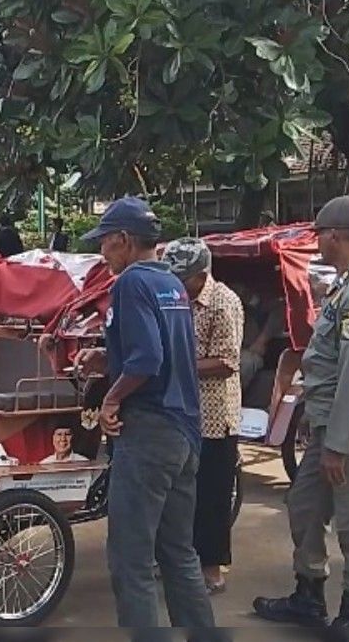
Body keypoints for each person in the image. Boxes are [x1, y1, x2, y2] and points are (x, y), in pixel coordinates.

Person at [254, 196, 349, 630]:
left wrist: (337, 445)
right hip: (329, 425)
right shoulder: (346, 285)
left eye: (319, 233)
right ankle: (308, 595)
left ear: (335, 235)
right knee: (305, 507)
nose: (315, 240)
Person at [72, 197, 215, 629]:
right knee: (178, 553)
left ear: (124, 239)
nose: (102, 252)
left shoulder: (131, 283)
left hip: (149, 433)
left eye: (105, 243)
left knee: (130, 561)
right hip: (184, 433)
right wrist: (107, 358)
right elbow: (164, 354)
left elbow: (148, 361)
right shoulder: (170, 283)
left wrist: (111, 399)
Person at [162, 237, 245, 595]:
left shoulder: (223, 302)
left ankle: (212, 570)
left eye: (183, 277)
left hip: (214, 415)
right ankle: (179, 562)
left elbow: (226, 362)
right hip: (180, 412)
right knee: (180, 495)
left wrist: (174, 367)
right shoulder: (174, 299)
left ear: (201, 273)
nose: (177, 283)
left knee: (212, 496)